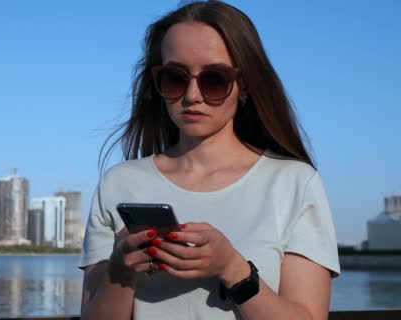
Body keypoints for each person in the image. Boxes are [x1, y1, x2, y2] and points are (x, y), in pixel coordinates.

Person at [79, 1, 340, 319]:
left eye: (214, 79)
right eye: (175, 77)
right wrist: (120, 271)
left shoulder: (295, 183)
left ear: (244, 85)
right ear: (157, 82)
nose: (192, 95)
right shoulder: (118, 184)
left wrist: (233, 268)